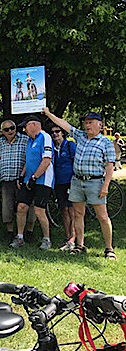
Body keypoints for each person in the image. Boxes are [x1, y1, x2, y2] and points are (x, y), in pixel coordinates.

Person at [43, 108, 116, 259]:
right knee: (78, 214)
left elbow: (110, 166)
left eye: (91, 122)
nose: (87, 125)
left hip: (95, 182)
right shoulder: (81, 136)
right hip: (76, 181)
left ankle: (109, 249)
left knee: (102, 216)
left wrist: (106, 185)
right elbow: (64, 124)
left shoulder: (106, 142)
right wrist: (49, 114)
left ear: (100, 125)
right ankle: (80, 246)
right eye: (86, 123)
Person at [10, 115, 53, 250]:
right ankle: (20, 237)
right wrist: (22, 177)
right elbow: (28, 161)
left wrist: (34, 178)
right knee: (21, 207)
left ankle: (47, 239)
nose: (24, 129)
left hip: (43, 179)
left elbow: (46, 161)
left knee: (40, 210)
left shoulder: (45, 137)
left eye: (25, 126)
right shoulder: (29, 140)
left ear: (33, 124)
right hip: (29, 179)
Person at [0, 120, 35, 242]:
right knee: (7, 207)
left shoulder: (25, 139)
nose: (10, 131)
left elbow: (31, 157)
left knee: (28, 206)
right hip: (6, 179)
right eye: (6, 129)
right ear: (2, 132)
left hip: (23, 179)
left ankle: (29, 232)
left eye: (12, 128)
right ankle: (10, 232)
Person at [51, 125, 77, 251]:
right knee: (63, 209)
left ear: (63, 133)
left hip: (71, 181)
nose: (55, 134)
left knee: (72, 210)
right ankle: (67, 237)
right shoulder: (52, 147)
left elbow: (76, 162)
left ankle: (73, 238)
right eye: (53, 132)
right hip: (58, 182)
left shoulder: (70, 145)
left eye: (57, 131)